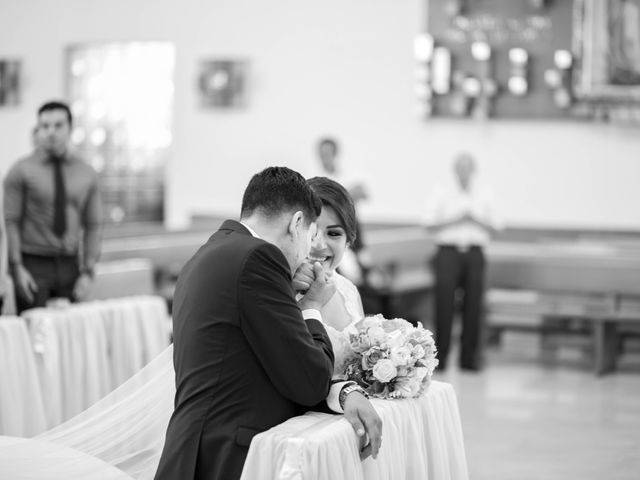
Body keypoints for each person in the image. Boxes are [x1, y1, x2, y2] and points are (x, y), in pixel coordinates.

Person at [155, 167, 381, 480]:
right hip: (229, 456)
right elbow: (310, 379)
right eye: (311, 233)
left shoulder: (207, 253)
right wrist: (313, 305)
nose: (310, 248)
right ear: (297, 223)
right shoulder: (260, 258)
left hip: (196, 447)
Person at [3, 101, 103, 312]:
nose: (51, 132)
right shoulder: (20, 171)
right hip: (34, 263)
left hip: (70, 265)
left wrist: (88, 272)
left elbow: (94, 224)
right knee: (35, 335)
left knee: (69, 334)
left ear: (70, 129)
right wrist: (16, 267)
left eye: (58, 125)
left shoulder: (86, 172)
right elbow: (10, 222)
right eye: (45, 126)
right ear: (38, 129)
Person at [423, 152, 501, 371]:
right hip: (447, 253)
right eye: (460, 167)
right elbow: (428, 224)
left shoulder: (485, 193)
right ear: (455, 169)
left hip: (475, 254)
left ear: (473, 170)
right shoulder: (441, 191)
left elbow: (496, 226)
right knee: (444, 305)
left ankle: (469, 359)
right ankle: (441, 358)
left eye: (468, 167)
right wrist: (457, 218)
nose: (464, 171)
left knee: (474, 305)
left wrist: (473, 218)